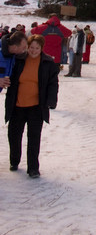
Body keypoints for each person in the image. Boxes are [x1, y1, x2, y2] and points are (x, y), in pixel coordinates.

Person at [5, 34, 59, 178]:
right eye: (31, 47)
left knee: (34, 138)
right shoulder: (18, 60)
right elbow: (7, 73)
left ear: (42, 48)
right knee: (14, 135)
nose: (33, 50)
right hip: (17, 105)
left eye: (37, 48)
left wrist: (51, 100)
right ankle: (14, 161)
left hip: (36, 107)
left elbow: (53, 84)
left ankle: (33, 168)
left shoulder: (48, 63)